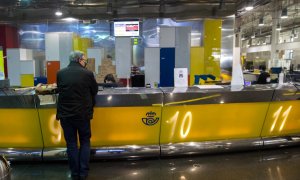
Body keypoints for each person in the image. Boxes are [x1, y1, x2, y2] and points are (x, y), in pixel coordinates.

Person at [56, 51, 98, 180]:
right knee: (85, 141)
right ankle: (83, 172)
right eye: (84, 60)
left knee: (71, 144)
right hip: (83, 114)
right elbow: (94, 90)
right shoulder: (88, 74)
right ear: (79, 59)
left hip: (65, 115)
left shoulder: (60, 73)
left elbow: (59, 89)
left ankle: (74, 173)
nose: (85, 62)